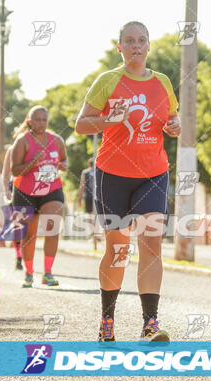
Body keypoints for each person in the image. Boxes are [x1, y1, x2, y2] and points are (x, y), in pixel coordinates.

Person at [75, 21, 181, 343]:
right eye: (130, 41)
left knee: (151, 246)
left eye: (142, 40)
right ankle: (107, 320)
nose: (136, 45)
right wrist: (110, 119)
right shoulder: (108, 81)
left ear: (149, 46)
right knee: (119, 250)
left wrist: (174, 126)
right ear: (119, 47)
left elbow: (171, 119)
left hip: (153, 173)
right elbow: (82, 125)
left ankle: (150, 323)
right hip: (112, 175)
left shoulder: (162, 83)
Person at [11, 105, 68, 288]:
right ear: (30, 122)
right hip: (26, 191)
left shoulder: (57, 140)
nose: (42, 123)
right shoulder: (23, 142)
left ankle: (48, 273)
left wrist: (64, 165)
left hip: (51, 189)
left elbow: (64, 158)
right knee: (29, 233)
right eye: (38, 120)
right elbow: (15, 170)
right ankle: (28, 272)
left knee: (52, 226)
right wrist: (33, 162)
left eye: (44, 119)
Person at [2, 144, 23, 270]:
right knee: (18, 225)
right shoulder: (12, 149)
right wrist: (6, 191)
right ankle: (19, 256)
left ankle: (27, 256)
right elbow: (5, 174)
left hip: (36, 189)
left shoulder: (39, 147)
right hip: (17, 188)